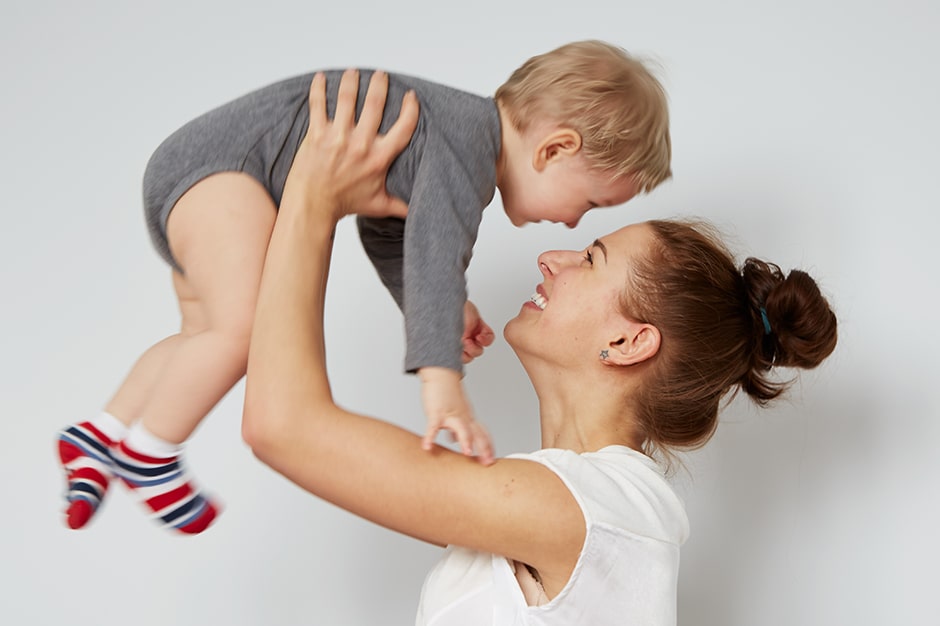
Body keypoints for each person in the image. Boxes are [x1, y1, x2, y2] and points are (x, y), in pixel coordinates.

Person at [241, 72, 838, 624]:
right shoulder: (576, 506)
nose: (552, 258)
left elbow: (283, 427)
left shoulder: (598, 512)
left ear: (628, 341)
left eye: (591, 258)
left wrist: (312, 194)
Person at [55, 41, 672, 533]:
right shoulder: (467, 148)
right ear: (555, 148)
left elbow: (388, 232)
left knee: (204, 335)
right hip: (224, 175)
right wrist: (441, 378)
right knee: (242, 331)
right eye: (590, 203)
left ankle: (103, 432)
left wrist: (433, 307)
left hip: (198, 173)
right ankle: (150, 453)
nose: (575, 223)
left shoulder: (448, 135)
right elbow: (435, 251)